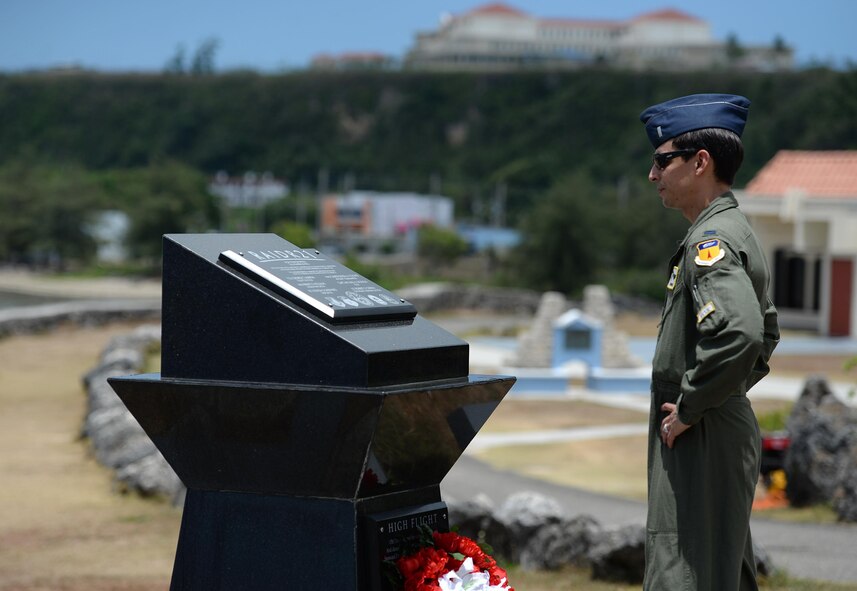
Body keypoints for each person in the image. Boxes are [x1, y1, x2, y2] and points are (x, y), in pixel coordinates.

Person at [639, 94, 780, 590]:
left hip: (701, 432)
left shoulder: (710, 242)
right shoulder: (730, 229)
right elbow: (765, 332)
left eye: (662, 160)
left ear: (700, 162)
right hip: (717, 424)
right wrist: (727, 389)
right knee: (717, 570)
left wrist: (694, 404)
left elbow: (740, 332)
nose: (653, 175)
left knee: (684, 572)